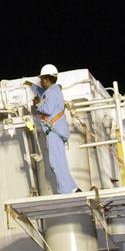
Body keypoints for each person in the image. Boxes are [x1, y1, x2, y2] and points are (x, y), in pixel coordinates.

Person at [26, 65, 79, 195]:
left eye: (42, 80)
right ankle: (72, 188)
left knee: (55, 162)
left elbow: (47, 108)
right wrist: (32, 86)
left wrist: (38, 103)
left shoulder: (52, 92)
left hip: (53, 132)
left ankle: (66, 190)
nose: (41, 82)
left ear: (47, 79)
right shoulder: (53, 91)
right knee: (60, 161)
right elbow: (43, 94)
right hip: (56, 131)